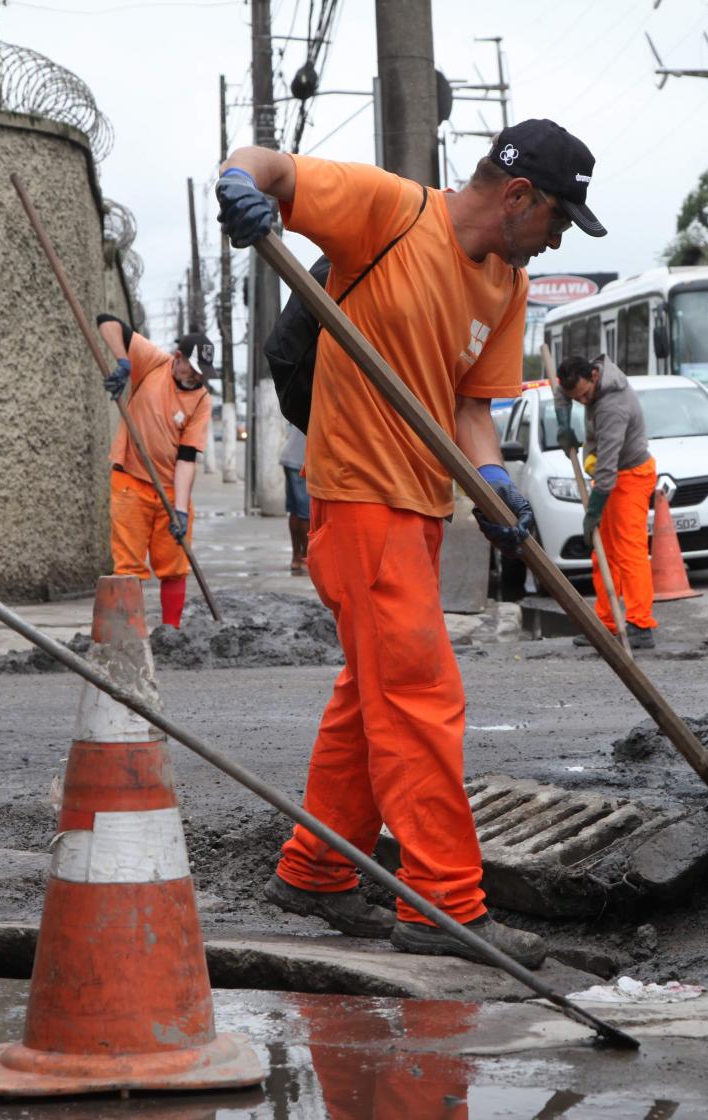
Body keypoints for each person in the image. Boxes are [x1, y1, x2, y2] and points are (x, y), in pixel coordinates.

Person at [216, 119, 606, 968]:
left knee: (374, 698)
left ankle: (316, 869)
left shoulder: (505, 283)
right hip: (357, 500)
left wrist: (492, 485)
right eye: (559, 219)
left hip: (422, 509)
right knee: (422, 698)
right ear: (517, 197)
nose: (557, 238)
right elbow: (268, 165)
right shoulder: (388, 214)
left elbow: (471, 407)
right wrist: (238, 184)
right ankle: (443, 906)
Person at [94, 315, 214, 629]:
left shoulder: (201, 399)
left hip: (172, 488)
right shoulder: (152, 363)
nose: (198, 378)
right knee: (128, 566)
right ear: (178, 359)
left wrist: (180, 509)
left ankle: (171, 631)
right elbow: (106, 321)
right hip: (130, 480)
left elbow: (187, 458)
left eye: (203, 373)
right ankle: (128, 634)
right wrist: (122, 362)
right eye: (194, 369)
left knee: (174, 565)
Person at [555, 354, 658, 650]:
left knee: (630, 551)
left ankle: (641, 624)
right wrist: (564, 425)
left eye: (585, 394)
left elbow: (608, 466)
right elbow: (560, 392)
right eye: (577, 398)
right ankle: (607, 622)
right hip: (610, 476)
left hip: (632, 475)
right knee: (604, 554)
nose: (583, 401)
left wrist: (593, 512)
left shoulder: (614, 405)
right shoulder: (578, 383)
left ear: (595, 378)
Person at [278, 422, 310, 574]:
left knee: (296, 511)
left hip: (290, 458)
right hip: (301, 460)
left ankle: (296, 557)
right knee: (305, 513)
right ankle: (304, 558)